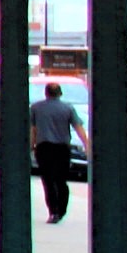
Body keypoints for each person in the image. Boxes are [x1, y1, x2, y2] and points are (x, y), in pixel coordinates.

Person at [30, 80, 82, 224]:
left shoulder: (36, 108)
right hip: (62, 149)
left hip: (44, 148)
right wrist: (87, 145)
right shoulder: (68, 108)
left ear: (46, 93)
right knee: (61, 180)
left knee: (48, 181)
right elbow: (78, 128)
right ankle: (62, 209)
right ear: (60, 93)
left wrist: (30, 146)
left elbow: (33, 130)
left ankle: (53, 212)